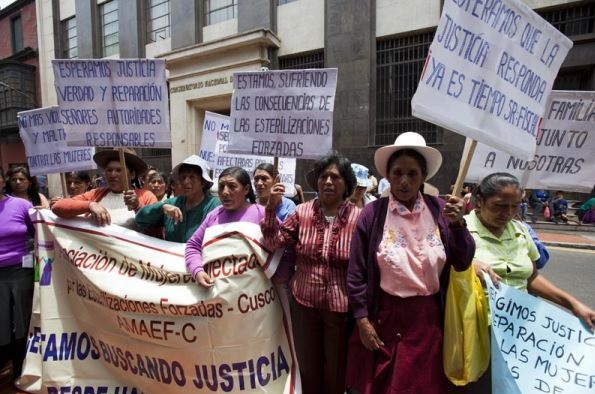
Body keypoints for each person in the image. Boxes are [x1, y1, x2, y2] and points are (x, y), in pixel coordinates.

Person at [346, 132, 475, 394]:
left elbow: (463, 262)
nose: (404, 181)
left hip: (429, 320)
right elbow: (356, 272)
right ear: (388, 175)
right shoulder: (373, 214)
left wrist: (458, 225)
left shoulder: (441, 210)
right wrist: (362, 319)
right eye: (397, 173)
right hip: (386, 318)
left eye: (412, 174)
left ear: (424, 177)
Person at [464, 172, 595, 393]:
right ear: (480, 201)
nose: (508, 213)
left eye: (515, 206)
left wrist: (573, 304)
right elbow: (441, 269)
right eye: (499, 206)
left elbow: (531, 277)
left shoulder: (521, 231)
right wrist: (468, 266)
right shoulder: (460, 230)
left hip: (519, 329)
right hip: (476, 330)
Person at [261, 152, 360, 394]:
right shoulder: (301, 212)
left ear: (346, 183)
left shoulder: (359, 218)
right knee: (308, 367)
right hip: (303, 304)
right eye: (323, 176)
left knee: (336, 370)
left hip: (340, 309)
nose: (328, 182)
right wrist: (271, 210)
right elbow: (274, 243)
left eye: (335, 177)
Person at [185, 167, 263, 286]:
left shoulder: (262, 214)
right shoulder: (213, 215)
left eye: (232, 186)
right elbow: (193, 246)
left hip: (255, 296)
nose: (225, 192)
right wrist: (197, 271)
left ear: (246, 189)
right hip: (219, 294)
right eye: (221, 186)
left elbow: (282, 246)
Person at [52, 148, 157, 230]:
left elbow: (156, 226)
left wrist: (137, 206)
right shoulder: (95, 194)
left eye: (119, 170)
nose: (113, 174)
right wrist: (90, 205)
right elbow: (58, 207)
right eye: (109, 170)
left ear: (132, 175)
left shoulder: (146, 196)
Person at [0, 168, 35, 380]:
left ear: (3, 181)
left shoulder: (22, 205)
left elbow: (38, 232)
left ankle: (21, 367)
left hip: (20, 270)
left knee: (21, 320)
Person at [136, 156, 220, 243]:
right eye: (183, 177)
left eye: (192, 177)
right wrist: (161, 208)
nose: (186, 182)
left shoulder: (214, 206)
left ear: (203, 182)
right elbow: (140, 220)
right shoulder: (172, 203)